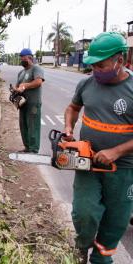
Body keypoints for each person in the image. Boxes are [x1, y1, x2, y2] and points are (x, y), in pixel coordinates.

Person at [64, 32, 133, 264]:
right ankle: (82, 246)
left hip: (123, 169)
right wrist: (68, 129)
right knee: (84, 212)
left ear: (120, 61)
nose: (95, 70)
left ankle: (101, 260)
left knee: (115, 221)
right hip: (87, 161)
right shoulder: (86, 84)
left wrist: (116, 151)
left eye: (101, 65)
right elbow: (72, 109)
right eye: (92, 65)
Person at [14, 48, 45, 153]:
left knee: (33, 126)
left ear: (30, 58)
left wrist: (25, 85)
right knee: (23, 125)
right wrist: (15, 90)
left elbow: (38, 82)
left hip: (33, 103)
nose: (21, 60)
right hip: (23, 104)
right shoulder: (21, 72)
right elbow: (17, 86)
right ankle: (27, 147)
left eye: (23, 58)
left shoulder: (36, 69)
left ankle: (34, 149)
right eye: (21, 58)